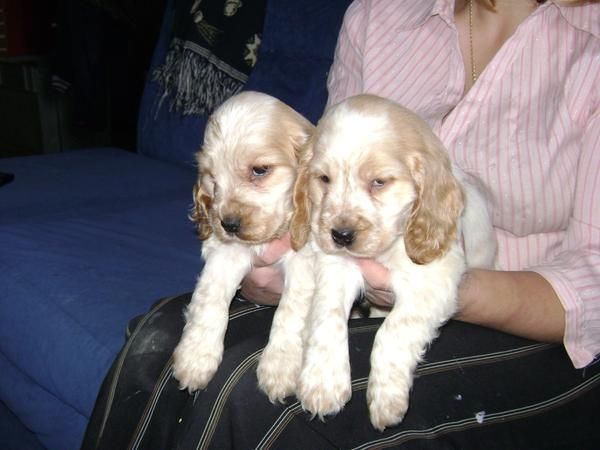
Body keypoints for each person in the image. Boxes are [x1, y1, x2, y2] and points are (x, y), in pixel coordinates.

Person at [82, 1, 600, 448]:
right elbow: (321, 181)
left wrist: (436, 291)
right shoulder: (379, 14)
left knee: (261, 404)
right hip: (351, 279)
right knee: (157, 337)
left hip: (540, 328)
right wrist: (288, 269)